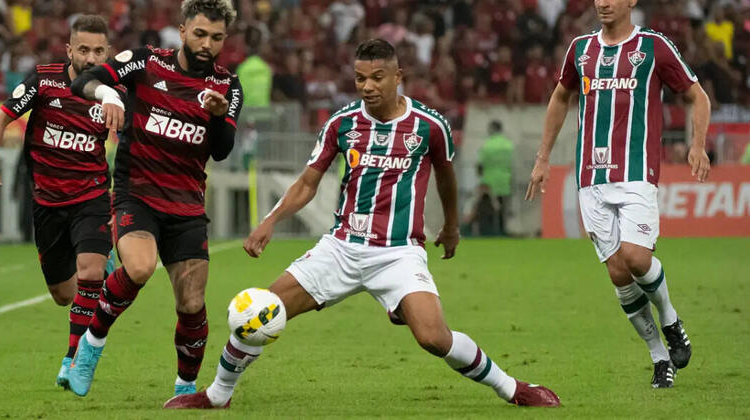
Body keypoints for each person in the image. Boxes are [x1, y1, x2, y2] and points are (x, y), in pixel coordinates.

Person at [165, 39, 560, 410]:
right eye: (359, 78)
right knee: (260, 313)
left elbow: (446, 178)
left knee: (434, 338)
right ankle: (217, 396)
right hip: (341, 247)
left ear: (397, 76)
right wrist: (270, 221)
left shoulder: (428, 125)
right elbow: (307, 182)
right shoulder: (343, 123)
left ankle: (513, 389)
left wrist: (452, 227)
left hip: (399, 252)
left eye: (376, 78)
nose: (367, 86)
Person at [525, 0, 710, 389]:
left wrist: (697, 144)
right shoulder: (581, 50)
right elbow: (559, 98)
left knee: (637, 258)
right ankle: (660, 357)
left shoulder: (654, 48)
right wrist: (543, 157)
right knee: (617, 274)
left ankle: (671, 320)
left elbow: (697, 97)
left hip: (636, 172)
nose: (602, 3)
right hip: (590, 177)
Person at [67, 0, 243, 398]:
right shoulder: (146, 62)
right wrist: (109, 94)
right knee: (141, 268)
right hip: (137, 194)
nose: (206, 45)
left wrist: (218, 118)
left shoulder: (227, 86)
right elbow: (82, 80)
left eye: (216, 38)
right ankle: (91, 345)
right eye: (199, 34)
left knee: (192, 303)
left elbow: (220, 149)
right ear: (182, 30)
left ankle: (185, 388)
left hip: (186, 205)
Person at [0, 15, 119, 388]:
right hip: (47, 202)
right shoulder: (44, 80)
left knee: (89, 273)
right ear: (69, 49)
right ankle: (101, 275)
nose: (91, 58)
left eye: (98, 50)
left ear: (109, 52)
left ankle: (73, 361)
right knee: (64, 294)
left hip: (92, 196)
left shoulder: (114, 91)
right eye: (83, 49)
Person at [477, 120, 513, 235]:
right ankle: (502, 231)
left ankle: (488, 232)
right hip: (504, 181)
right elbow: (512, 164)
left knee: (488, 208)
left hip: (488, 181)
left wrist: (480, 175)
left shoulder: (487, 145)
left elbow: (480, 164)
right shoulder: (508, 145)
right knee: (502, 209)